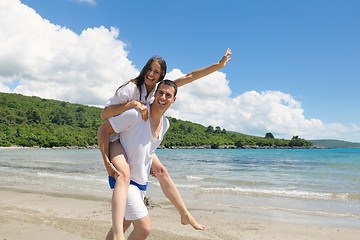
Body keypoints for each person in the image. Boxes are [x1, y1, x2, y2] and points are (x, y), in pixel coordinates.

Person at [100, 49, 232, 240]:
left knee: (161, 171)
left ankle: (185, 214)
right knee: (125, 178)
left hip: (137, 143)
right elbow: (104, 117)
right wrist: (130, 105)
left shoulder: (158, 92)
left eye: (157, 73)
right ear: (145, 69)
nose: (152, 75)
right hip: (117, 138)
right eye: (150, 70)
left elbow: (190, 76)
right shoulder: (131, 90)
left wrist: (218, 66)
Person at [98, 80, 183, 239]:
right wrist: (107, 161)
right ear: (154, 94)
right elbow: (103, 129)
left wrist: (150, 162)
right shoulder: (135, 114)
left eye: (168, 95)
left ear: (173, 100)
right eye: (160, 93)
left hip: (141, 180)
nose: (163, 97)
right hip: (125, 179)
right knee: (144, 228)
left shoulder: (165, 124)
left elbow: (147, 148)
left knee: (125, 223)